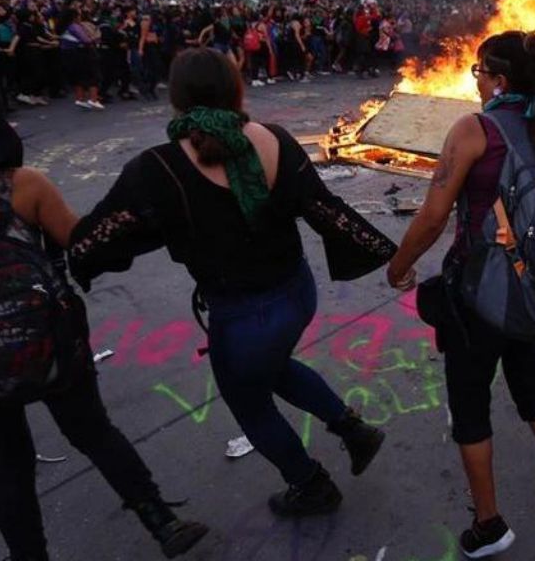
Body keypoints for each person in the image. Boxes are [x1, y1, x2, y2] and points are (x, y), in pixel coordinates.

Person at [69, 48, 396, 519]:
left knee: (252, 404)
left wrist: (73, 249)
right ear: (235, 88)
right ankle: (352, 430)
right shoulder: (275, 139)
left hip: (242, 315)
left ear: (176, 98)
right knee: (275, 365)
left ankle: (311, 485)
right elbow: (325, 210)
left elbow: (100, 237)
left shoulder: (156, 168)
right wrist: (385, 253)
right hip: (295, 292)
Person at [0, 75, 207, 561]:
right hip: (52, 343)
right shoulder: (21, 187)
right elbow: (81, 243)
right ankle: (160, 520)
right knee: (92, 431)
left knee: (7, 466)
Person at [385, 31, 535, 558]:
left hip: (478, 298)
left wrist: (399, 266)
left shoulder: (475, 130)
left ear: (500, 80)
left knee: (470, 405)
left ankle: (488, 525)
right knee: (534, 387)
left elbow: (433, 214)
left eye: (479, 73)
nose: (476, 82)